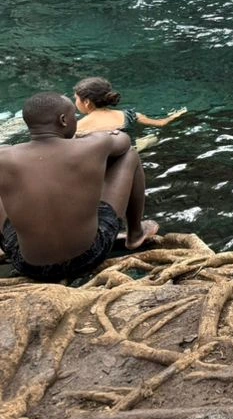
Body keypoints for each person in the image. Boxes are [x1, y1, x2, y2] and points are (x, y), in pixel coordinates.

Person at [0, 92, 158, 283]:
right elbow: (124, 142)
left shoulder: (4, 155)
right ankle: (135, 234)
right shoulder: (94, 144)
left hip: (29, 265)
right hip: (89, 256)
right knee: (129, 155)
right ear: (63, 120)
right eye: (74, 116)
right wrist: (94, 138)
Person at [73, 77, 186, 134]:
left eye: (76, 98)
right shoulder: (129, 115)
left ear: (86, 102)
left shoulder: (78, 126)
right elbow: (161, 123)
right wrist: (176, 115)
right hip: (130, 153)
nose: (75, 102)